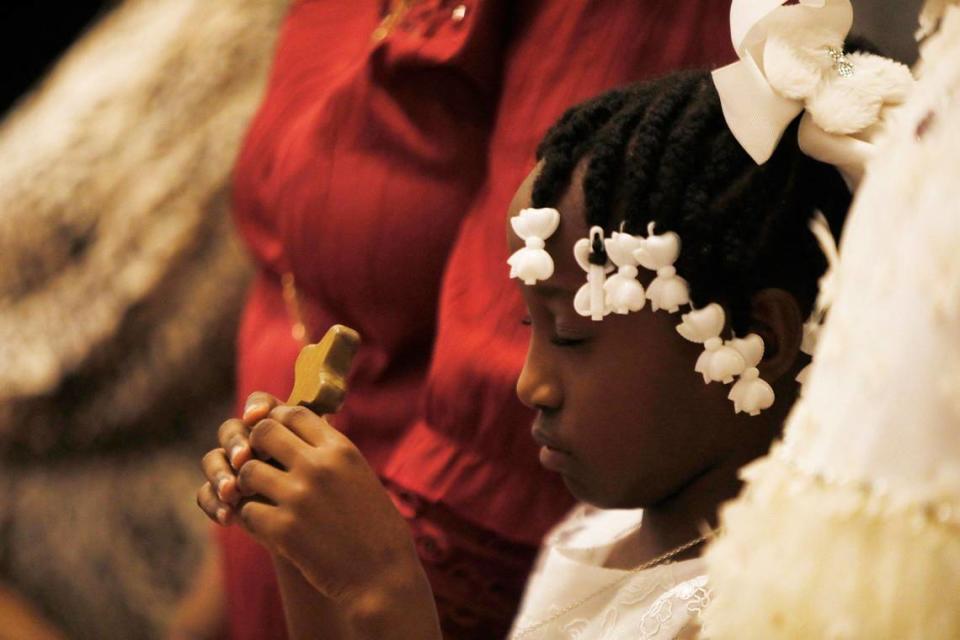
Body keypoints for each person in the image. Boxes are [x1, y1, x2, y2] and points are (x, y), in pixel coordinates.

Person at [197, 58, 860, 635]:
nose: (529, 383)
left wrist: (387, 593)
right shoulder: (598, 537)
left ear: (759, 338)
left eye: (572, 334)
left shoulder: (776, 612)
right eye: (528, 327)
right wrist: (310, 558)